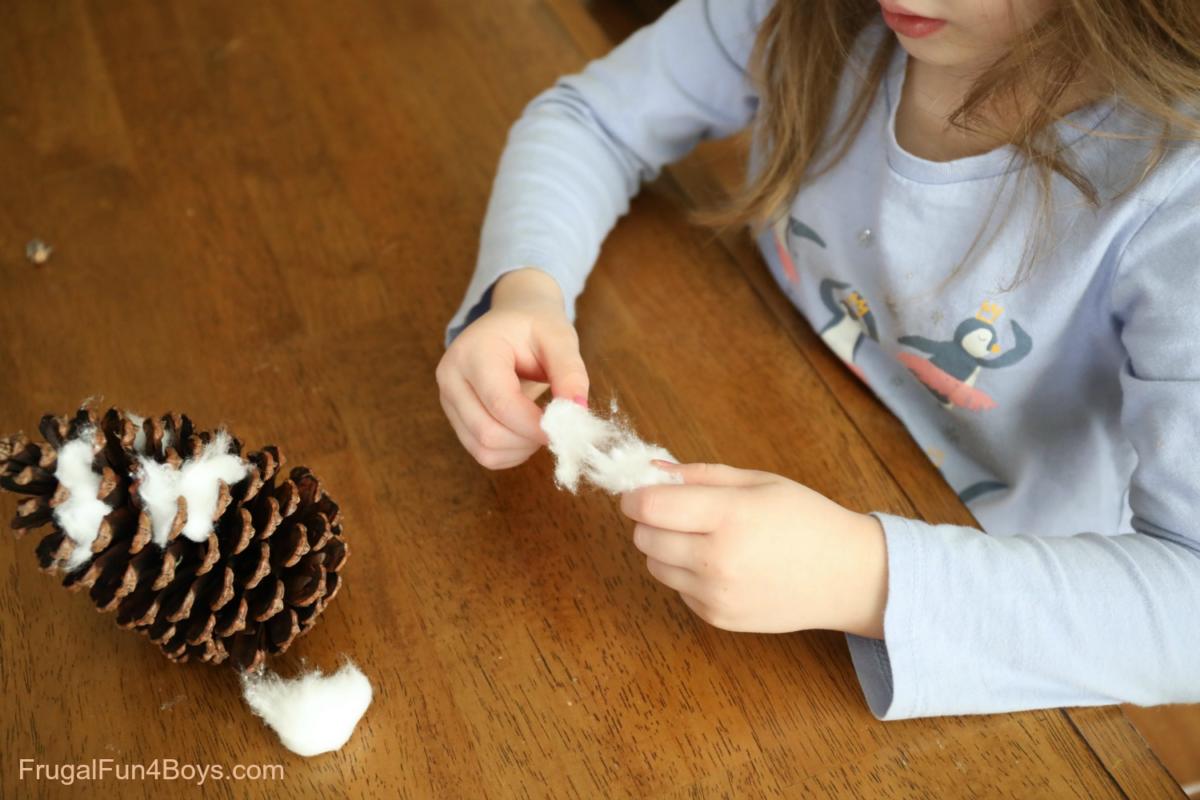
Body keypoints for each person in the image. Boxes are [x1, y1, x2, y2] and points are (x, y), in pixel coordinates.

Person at [435, 0, 1200, 719]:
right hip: (770, 401)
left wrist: (864, 577)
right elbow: (593, 120)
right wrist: (525, 289)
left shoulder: (1177, 196)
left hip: (992, 592)